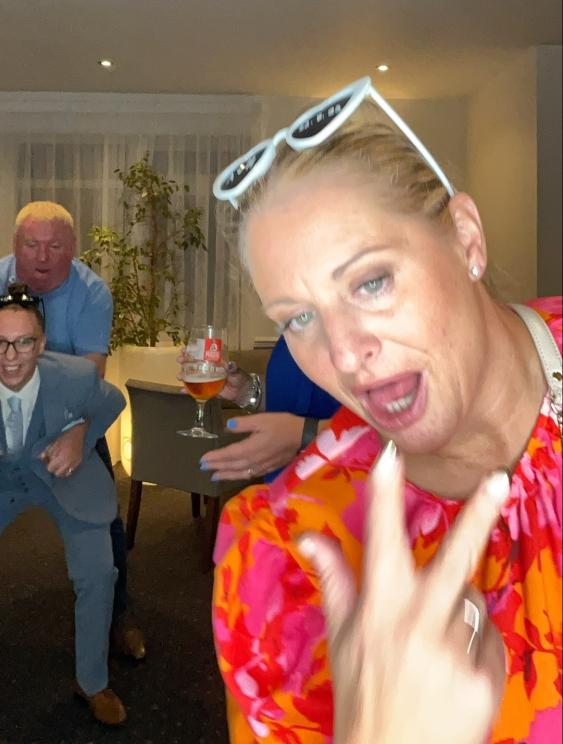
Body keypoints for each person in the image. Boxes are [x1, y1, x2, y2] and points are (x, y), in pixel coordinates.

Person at [210, 76, 562, 743]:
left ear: (466, 240)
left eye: (370, 281)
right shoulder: (291, 557)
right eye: (299, 318)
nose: (344, 354)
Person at [0, 202, 146, 660]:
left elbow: (93, 376)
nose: (42, 257)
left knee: (103, 514)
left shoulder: (92, 293)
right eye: (32, 245)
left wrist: (79, 434)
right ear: (15, 245)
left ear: (73, 249)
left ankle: (117, 615)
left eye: (56, 246)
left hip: (69, 416)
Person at [0, 287, 127, 725]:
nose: (10, 357)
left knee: (98, 572)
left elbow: (113, 400)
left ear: (41, 344)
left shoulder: (75, 375)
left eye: (23, 343)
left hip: (64, 474)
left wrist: (80, 433)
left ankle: (92, 682)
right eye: (0, 343)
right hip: (4, 479)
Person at [199, 335, 340, 482]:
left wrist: (302, 435)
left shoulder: (350, 333)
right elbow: (293, 400)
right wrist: (246, 391)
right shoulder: (293, 331)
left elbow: (357, 425)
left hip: (337, 486)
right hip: (283, 486)